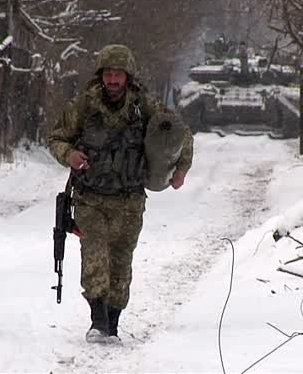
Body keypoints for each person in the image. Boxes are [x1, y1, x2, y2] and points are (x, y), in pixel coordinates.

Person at [47, 44, 194, 343]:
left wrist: (181, 169)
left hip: (130, 199)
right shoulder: (84, 106)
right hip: (91, 197)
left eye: (119, 75)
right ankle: (97, 320)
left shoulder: (145, 106)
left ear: (128, 76)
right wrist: (70, 154)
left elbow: (180, 133)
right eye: (109, 74)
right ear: (101, 75)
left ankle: (112, 322)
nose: (113, 80)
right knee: (95, 254)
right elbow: (56, 137)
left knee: (121, 261)